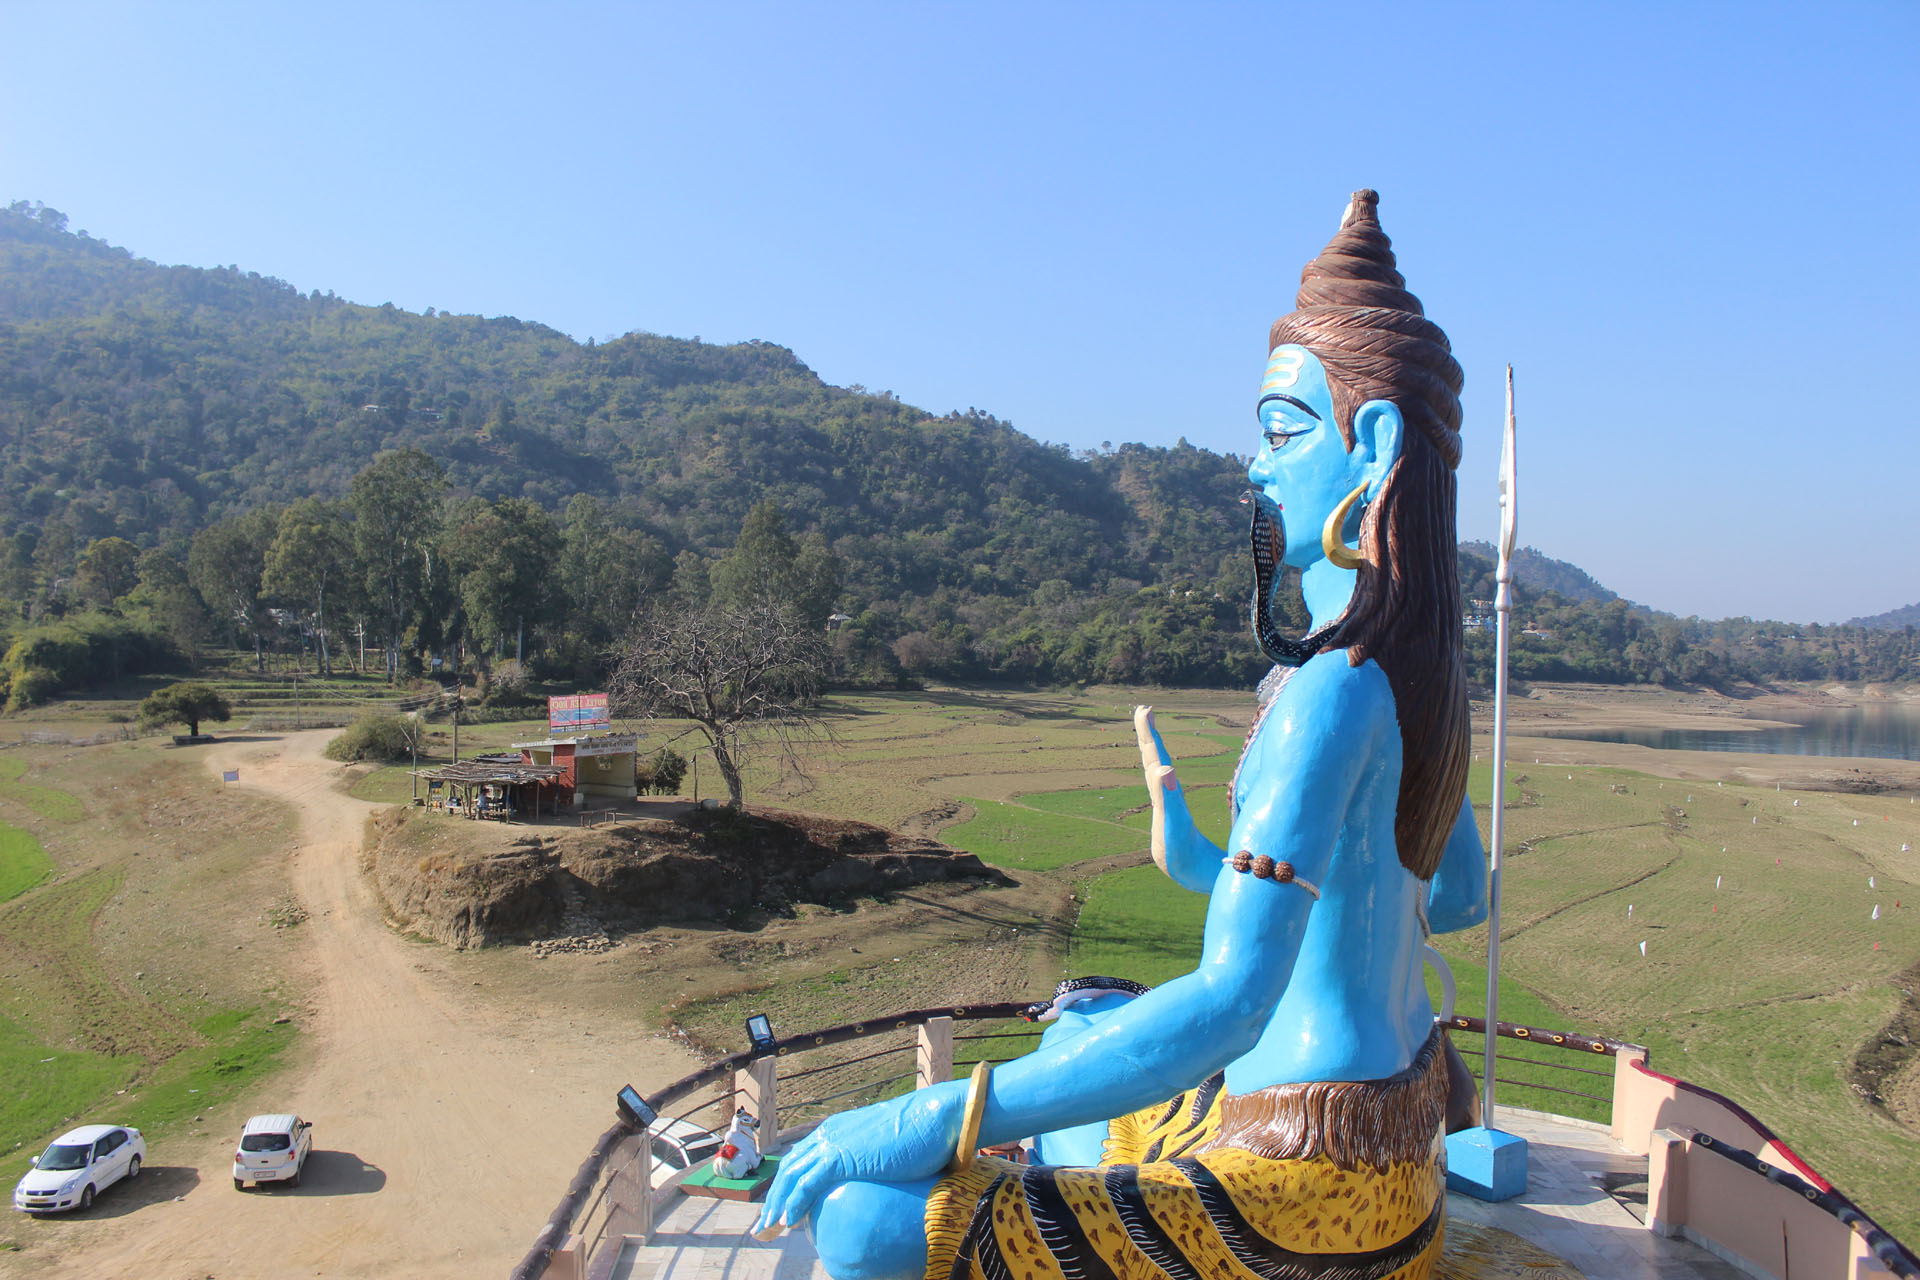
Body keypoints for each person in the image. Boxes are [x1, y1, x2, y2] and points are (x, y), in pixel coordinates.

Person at [757, 191, 1480, 1280]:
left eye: (1283, 432)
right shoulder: (1425, 679)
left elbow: (1234, 1001)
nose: (1258, 468)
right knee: (1071, 1038)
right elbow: (1457, 895)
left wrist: (936, 1110)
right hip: (1396, 1164)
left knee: (863, 1217)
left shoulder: (1330, 690)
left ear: (1370, 444)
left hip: (1303, 1203)